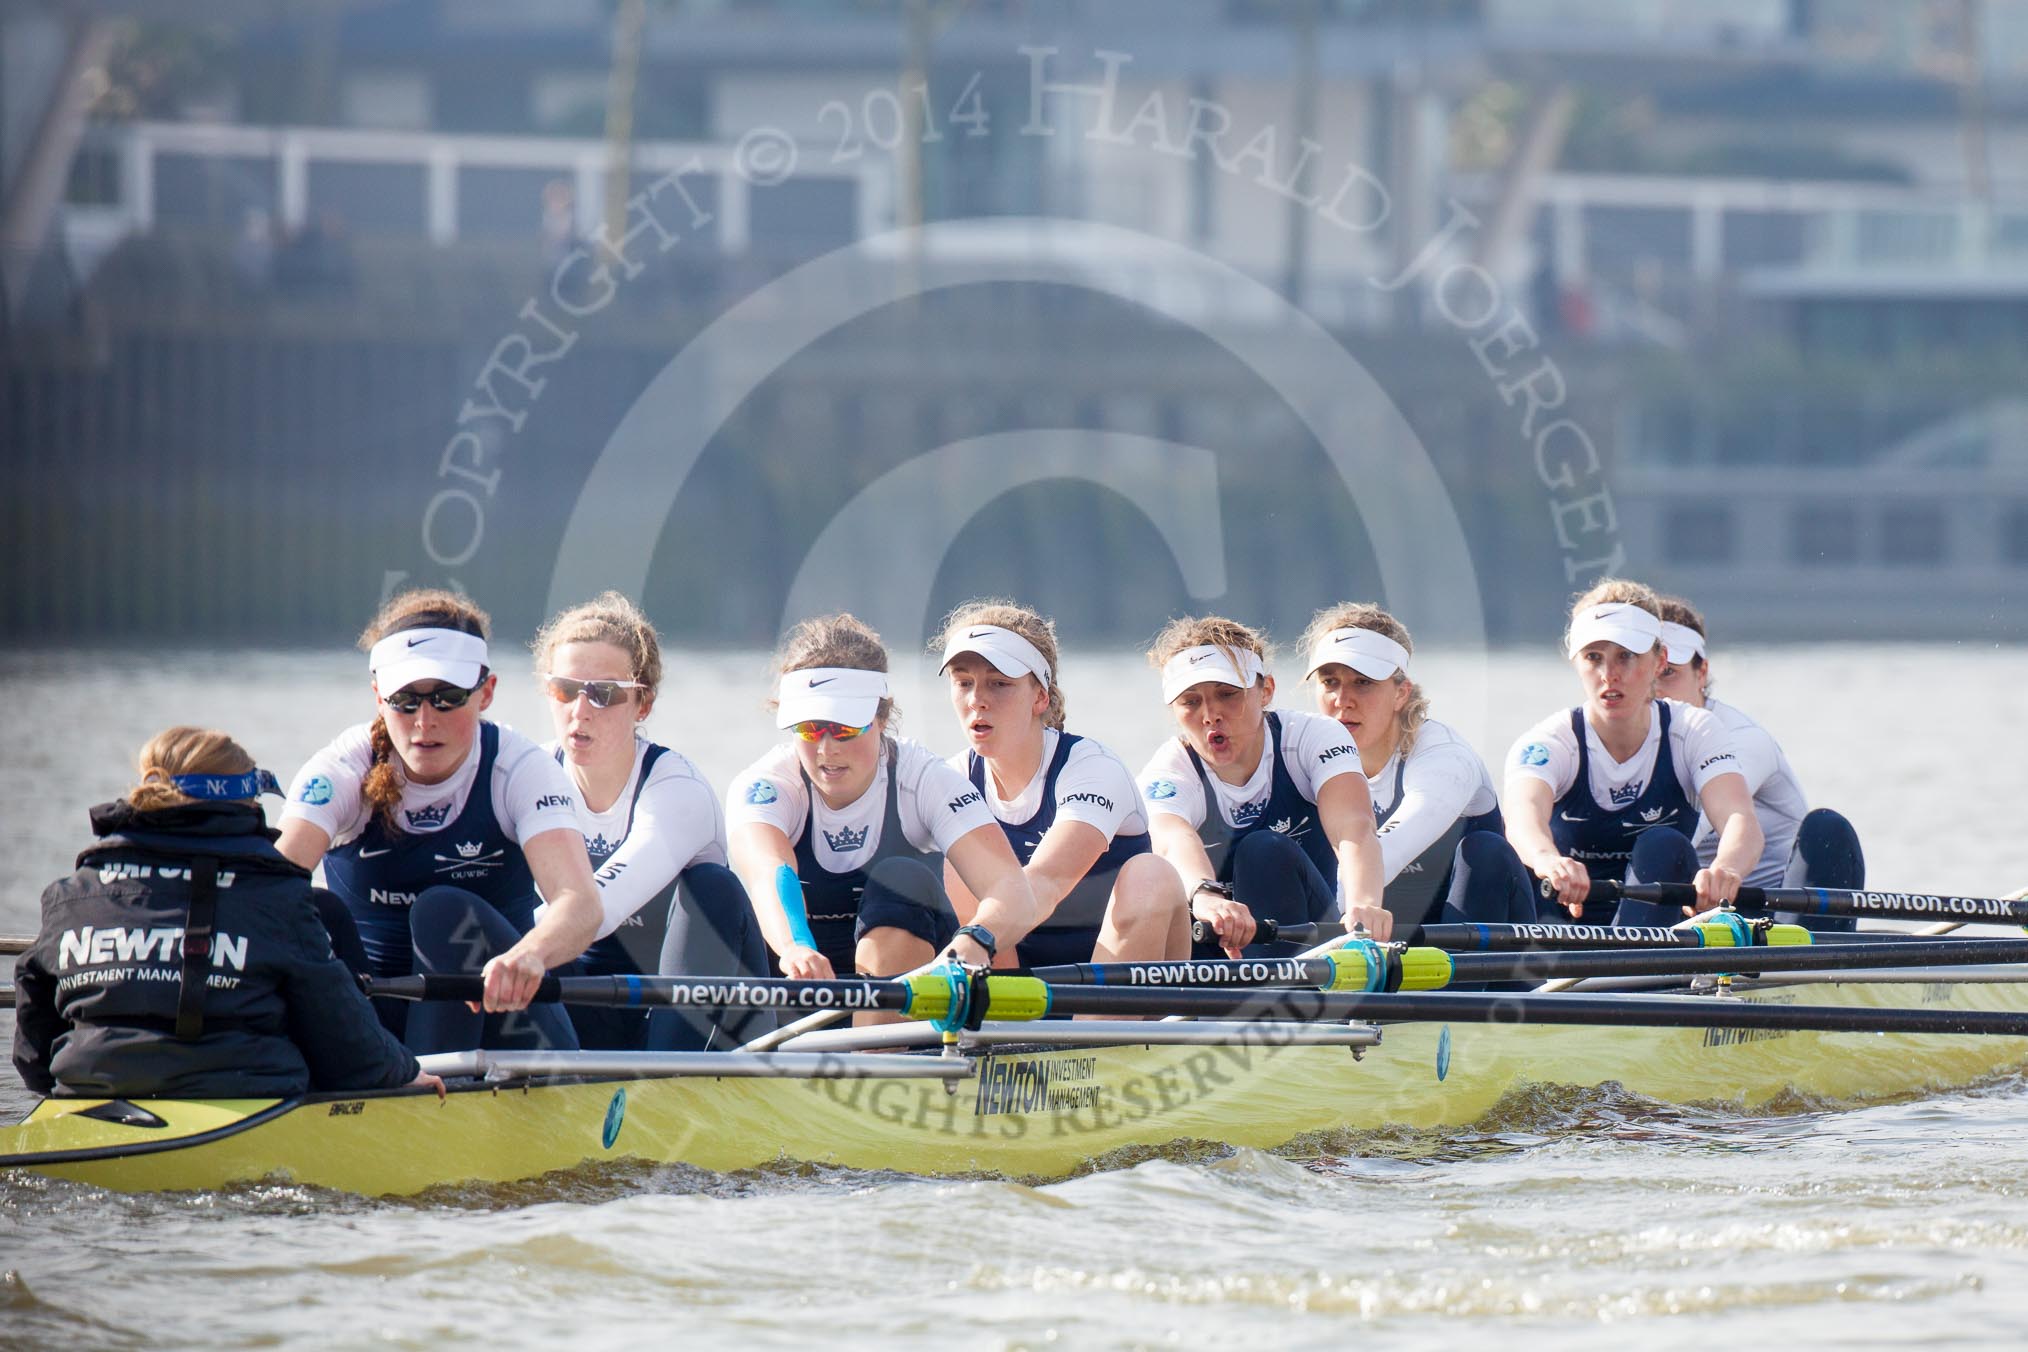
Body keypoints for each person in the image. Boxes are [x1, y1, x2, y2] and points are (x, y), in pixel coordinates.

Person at [13, 727, 439, 1100]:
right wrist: (403, 1071)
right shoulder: (277, 899)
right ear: (244, 805)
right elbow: (349, 1050)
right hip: (240, 1097)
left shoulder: (69, 896)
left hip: (87, 1093)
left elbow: (32, 1058)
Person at [276, 588, 602, 1054]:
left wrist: (528, 955)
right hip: (378, 1024)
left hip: (506, 1025)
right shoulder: (343, 769)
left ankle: (426, 1089)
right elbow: (270, 885)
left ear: (486, 692)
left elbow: (580, 904)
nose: (425, 721)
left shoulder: (519, 770)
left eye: (447, 698)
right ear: (378, 696)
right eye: (405, 700)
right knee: (309, 909)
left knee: (442, 910)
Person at [725, 613, 1039, 995]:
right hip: (801, 985)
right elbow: (768, 872)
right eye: (809, 727)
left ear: (882, 716)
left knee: (900, 878)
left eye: (843, 728)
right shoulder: (768, 786)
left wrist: (971, 945)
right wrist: (795, 948)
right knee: (715, 891)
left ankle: (876, 1044)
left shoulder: (923, 779)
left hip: (907, 989)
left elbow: (1014, 893)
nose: (826, 749)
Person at [532, 591, 773, 1050]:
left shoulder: (677, 790)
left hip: (696, 1011)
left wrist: (512, 951)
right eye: (564, 689)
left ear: (642, 704)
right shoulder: (528, 777)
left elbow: (596, 909)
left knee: (711, 888)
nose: (579, 710)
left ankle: (667, 1083)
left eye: (603, 694)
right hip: (594, 1004)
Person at [933, 600, 1189, 968]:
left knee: (1153, 875)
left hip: (1118, 981)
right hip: (1015, 984)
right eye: (963, 683)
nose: (976, 700)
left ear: (1041, 696)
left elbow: (1045, 884)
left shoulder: (1093, 769)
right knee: (948, 863)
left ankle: (1091, 1026)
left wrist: (971, 944)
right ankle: (1000, 1016)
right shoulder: (950, 779)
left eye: (999, 684)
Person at [1504, 580, 1764, 929]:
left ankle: (1633, 971)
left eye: (1626, 656)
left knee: (1664, 845)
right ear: (1576, 663)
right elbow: (1523, 818)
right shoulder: (1550, 742)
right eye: (1594, 658)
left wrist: (1725, 869)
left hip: (1653, 929)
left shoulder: (1694, 731)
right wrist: (1547, 860)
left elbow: (1738, 817)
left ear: (1660, 661)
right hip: (1562, 928)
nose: (1609, 675)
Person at [1135, 616, 1390, 958]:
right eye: (1191, 702)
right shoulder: (1169, 771)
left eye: (1227, 694)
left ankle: (1273, 1002)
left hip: (1306, 941)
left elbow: (1354, 827)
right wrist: (1207, 895)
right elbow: (1171, 838)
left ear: (1266, 690)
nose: (1210, 715)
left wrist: (1364, 905)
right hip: (1213, 942)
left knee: (1263, 849)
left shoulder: (1311, 738)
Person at [1298, 603, 1534, 933]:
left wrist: (1349, 926)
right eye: (1330, 682)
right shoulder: (1303, 752)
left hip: (1468, 940)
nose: (1342, 699)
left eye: (1363, 682)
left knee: (1486, 851)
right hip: (1379, 940)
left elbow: (1387, 850)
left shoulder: (1445, 757)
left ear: (1401, 693)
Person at [1653, 594, 1861, 932]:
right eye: (1648, 675)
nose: (1656, 692)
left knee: (1828, 827)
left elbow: (1692, 824)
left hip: (1781, 912)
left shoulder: (1741, 739)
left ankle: (1817, 966)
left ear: (1701, 672)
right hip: (1697, 907)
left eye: (1669, 674)